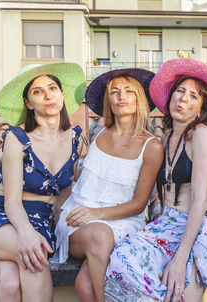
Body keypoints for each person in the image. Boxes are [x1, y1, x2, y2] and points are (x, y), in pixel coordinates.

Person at [104, 58, 207, 302]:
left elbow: (199, 201)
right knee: (122, 259)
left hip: (200, 225)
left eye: (193, 96)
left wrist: (180, 257)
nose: (183, 99)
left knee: (179, 286)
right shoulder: (164, 138)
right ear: (170, 98)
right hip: (167, 223)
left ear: (201, 108)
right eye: (180, 91)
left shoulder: (201, 134)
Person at [0, 63, 86, 302]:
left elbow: (65, 193)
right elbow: (12, 201)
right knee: (34, 256)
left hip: (42, 219)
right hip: (2, 215)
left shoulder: (76, 139)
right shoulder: (17, 138)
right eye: (38, 91)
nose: (48, 95)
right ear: (28, 102)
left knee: (9, 285)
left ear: (62, 93)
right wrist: (26, 233)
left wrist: (63, 231)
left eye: (52, 88)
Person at [52, 68, 163, 302]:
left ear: (139, 98)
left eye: (129, 91)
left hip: (122, 222)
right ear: (108, 100)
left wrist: (96, 213)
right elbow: (89, 175)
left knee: (84, 286)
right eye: (115, 92)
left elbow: (139, 204)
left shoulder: (151, 146)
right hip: (78, 217)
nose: (121, 96)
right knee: (100, 237)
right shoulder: (99, 133)